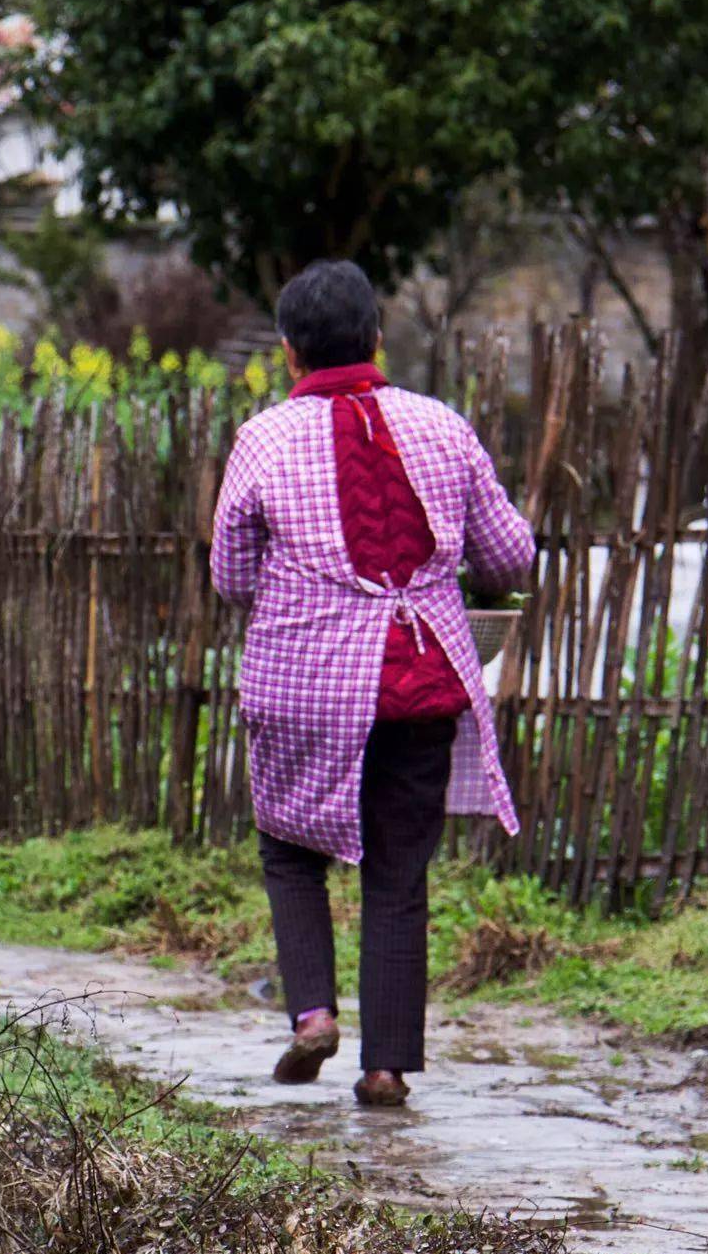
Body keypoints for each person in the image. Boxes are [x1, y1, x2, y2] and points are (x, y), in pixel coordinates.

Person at [211, 260, 534, 1106]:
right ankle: (386, 1068)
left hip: (302, 687)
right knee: (398, 874)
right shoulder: (442, 427)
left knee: (290, 851)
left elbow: (231, 576)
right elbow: (510, 556)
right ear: (378, 339)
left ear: (288, 353)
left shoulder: (262, 441)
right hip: (417, 680)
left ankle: (313, 1015)